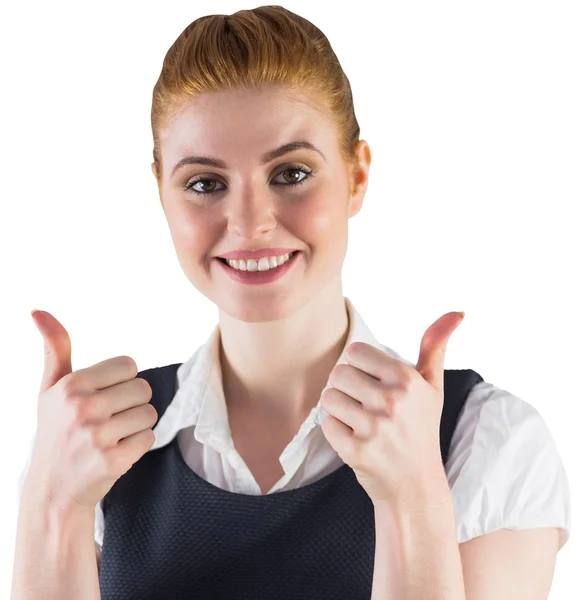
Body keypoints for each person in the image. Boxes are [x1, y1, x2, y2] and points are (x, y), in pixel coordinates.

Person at [11, 5, 571, 600]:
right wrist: (50, 502)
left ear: (356, 177)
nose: (251, 223)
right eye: (205, 183)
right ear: (161, 194)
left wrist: (415, 497)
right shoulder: (88, 450)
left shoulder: (487, 442)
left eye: (291, 173)